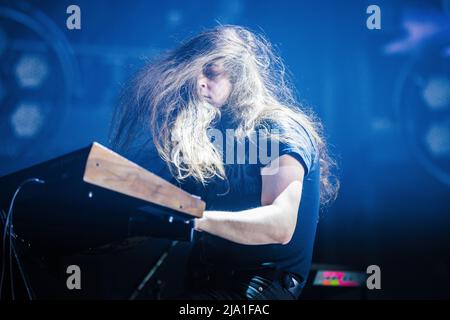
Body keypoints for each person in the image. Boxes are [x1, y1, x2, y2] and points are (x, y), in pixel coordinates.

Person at [109, 25, 339, 300]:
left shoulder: (276, 129)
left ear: (240, 76)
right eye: (195, 73)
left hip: (258, 289)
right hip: (205, 285)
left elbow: (280, 225)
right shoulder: (208, 140)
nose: (199, 83)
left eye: (211, 72)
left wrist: (195, 219)